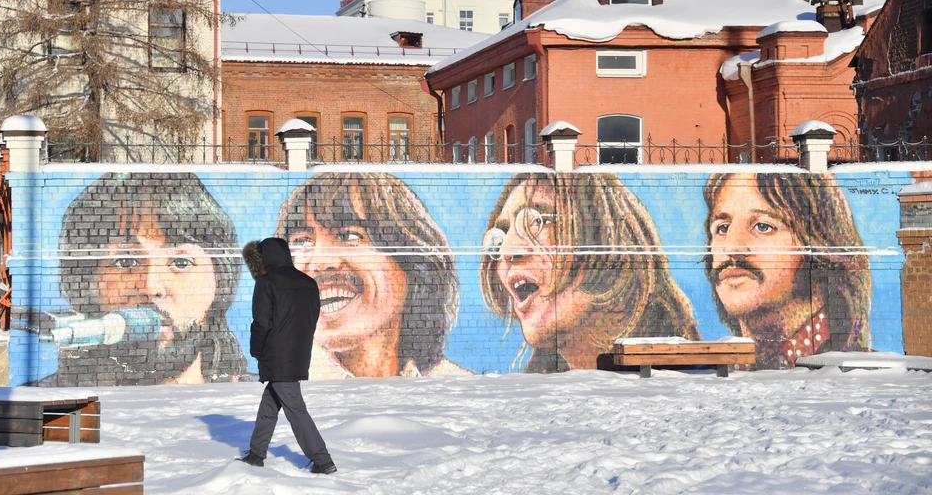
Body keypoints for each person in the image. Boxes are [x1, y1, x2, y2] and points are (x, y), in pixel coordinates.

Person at [479, 173, 700, 372]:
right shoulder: (546, 396)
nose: (506, 251)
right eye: (499, 236)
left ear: (607, 238)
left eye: (536, 220)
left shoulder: (675, 380)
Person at [46, 172, 246, 386]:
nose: (151, 287)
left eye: (181, 263)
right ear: (85, 283)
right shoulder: (45, 406)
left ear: (221, 280)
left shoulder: (252, 400)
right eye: (126, 263)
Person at [275, 172, 464, 379]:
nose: (322, 262)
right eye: (302, 241)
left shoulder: (456, 388)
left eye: (348, 236)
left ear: (412, 264)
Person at [702, 172, 872, 368]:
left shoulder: (852, 375)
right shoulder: (728, 374)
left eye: (763, 226)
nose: (731, 248)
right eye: (723, 228)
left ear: (819, 247)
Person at [239, 237, 336, 474]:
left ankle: (323, 460)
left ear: (265, 257)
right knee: (270, 404)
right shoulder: (308, 283)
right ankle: (256, 453)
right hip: (298, 353)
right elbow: (312, 319)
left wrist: (256, 350)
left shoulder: (266, 283)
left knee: (295, 408)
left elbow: (261, 322)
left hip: (276, 354)